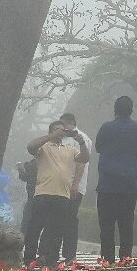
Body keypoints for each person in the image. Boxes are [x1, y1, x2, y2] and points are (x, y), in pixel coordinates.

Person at [23, 120, 89, 266]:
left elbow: (84, 158)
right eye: (57, 130)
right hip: (43, 193)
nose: (61, 133)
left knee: (56, 229)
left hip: (62, 195)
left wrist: (82, 143)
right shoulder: (43, 147)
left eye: (62, 130)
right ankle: (29, 258)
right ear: (51, 131)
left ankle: (51, 259)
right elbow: (30, 146)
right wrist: (50, 136)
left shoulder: (70, 148)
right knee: (35, 227)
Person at [95, 95, 137, 263]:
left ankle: (108, 260)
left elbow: (98, 148)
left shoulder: (106, 128)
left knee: (107, 226)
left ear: (115, 110)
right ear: (131, 110)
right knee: (126, 225)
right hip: (129, 186)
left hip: (107, 185)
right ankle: (125, 259)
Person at [57, 112, 92, 263]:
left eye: (63, 125)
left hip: (74, 185)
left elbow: (81, 162)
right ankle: (56, 252)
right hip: (61, 184)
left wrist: (75, 183)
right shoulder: (63, 138)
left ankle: (70, 254)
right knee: (59, 218)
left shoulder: (81, 138)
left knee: (70, 218)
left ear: (71, 123)